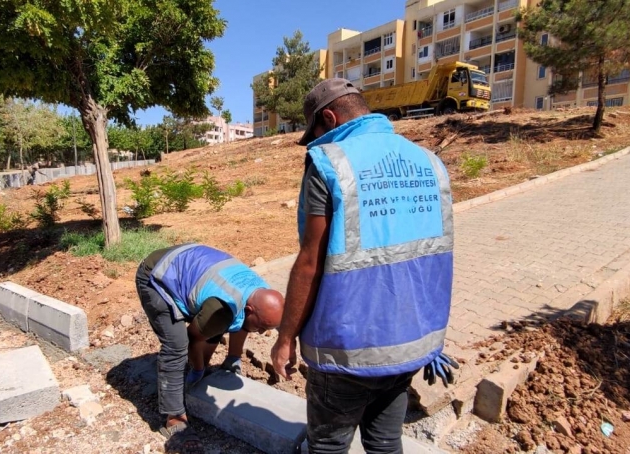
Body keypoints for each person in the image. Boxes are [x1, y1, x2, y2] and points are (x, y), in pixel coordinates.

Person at [270, 78, 458, 454]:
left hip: (347, 348)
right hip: (411, 342)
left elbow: (310, 263)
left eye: (316, 133)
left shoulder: (330, 163)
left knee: (328, 445)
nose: (316, 143)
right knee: (385, 441)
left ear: (329, 117)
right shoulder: (429, 163)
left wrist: (286, 339)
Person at [136, 244, 284, 454]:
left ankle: (205, 363)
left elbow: (242, 322)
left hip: (190, 265)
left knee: (217, 324)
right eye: (261, 327)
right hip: (156, 276)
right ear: (250, 310)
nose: (261, 333)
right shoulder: (222, 307)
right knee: (176, 346)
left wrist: (233, 358)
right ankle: (175, 420)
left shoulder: (259, 292)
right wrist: (198, 369)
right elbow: (193, 339)